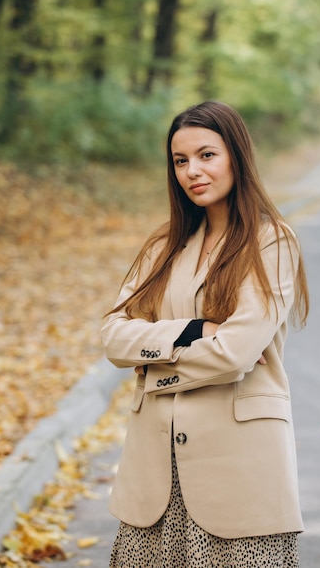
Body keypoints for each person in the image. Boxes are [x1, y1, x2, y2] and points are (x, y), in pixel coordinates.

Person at [101, 100, 309, 567]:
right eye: (180, 160)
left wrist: (152, 364)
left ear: (237, 155)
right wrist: (195, 329)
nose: (192, 170)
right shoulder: (162, 246)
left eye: (206, 155)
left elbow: (235, 354)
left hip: (238, 472)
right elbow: (113, 335)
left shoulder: (271, 241)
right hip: (153, 477)